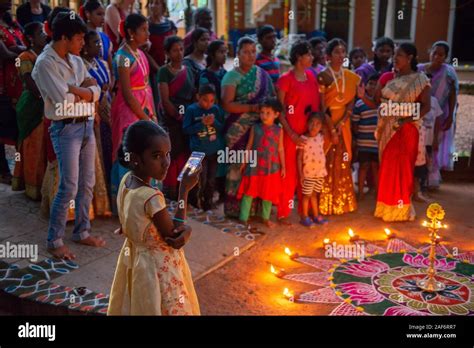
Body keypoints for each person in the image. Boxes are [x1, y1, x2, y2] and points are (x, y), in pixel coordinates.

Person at [32, 11, 105, 259]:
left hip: (85, 124)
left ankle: (82, 232)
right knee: (69, 185)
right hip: (65, 128)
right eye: (79, 39)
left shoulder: (75, 60)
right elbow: (63, 100)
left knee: (88, 183)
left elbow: (96, 89)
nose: (83, 43)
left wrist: (79, 90)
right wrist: (82, 92)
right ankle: (54, 239)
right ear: (64, 38)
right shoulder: (45, 63)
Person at [107, 121, 200, 316]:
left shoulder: (127, 181)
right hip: (158, 267)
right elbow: (173, 236)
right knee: (165, 306)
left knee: (140, 305)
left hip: (135, 260)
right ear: (135, 159)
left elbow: (129, 221)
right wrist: (184, 191)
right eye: (156, 156)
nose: (166, 162)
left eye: (167, 154)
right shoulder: (151, 197)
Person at [374, 42, 431, 222]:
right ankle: (385, 208)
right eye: (395, 55)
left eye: (399, 55)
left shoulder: (420, 80)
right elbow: (379, 103)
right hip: (388, 129)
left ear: (410, 58)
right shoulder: (391, 80)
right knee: (388, 167)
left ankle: (401, 209)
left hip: (407, 129)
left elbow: (426, 107)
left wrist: (406, 119)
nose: (395, 58)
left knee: (404, 169)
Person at [221, 37, 275, 218]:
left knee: (256, 168)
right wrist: (252, 108)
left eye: (253, 51)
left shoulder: (262, 75)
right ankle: (234, 209)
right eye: (245, 52)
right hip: (237, 130)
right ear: (238, 54)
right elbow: (227, 105)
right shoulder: (231, 76)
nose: (250, 55)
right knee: (238, 166)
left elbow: (273, 100)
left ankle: (254, 209)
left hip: (260, 129)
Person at [111, 13, 155, 213]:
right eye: (143, 29)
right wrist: (145, 118)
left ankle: (144, 200)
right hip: (129, 111)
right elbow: (128, 95)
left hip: (144, 108)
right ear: (130, 32)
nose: (147, 33)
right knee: (128, 152)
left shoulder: (139, 53)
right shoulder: (123, 58)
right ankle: (125, 204)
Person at [276, 40, 321, 225]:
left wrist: (315, 133)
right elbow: (280, 111)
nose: (311, 57)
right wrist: (292, 134)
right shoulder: (285, 80)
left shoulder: (311, 77)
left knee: (308, 171)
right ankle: (283, 212)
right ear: (298, 57)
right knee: (290, 174)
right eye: (308, 54)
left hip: (309, 133)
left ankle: (306, 213)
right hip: (290, 133)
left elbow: (316, 105)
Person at [317, 38, 360, 216]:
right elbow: (322, 107)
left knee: (342, 161)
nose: (341, 55)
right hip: (328, 123)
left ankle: (343, 202)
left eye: (343, 52)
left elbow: (351, 101)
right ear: (328, 56)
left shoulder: (351, 76)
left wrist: (343, 121)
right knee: (327, 161)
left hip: (344, 121)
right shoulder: (323, 76)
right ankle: (325, 203)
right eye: (337, 52)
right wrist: (332, 128)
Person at [11, 22, 47, 200]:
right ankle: (32, 185)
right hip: (32, 104)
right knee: (32, 145)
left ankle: (43, 184)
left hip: (45, 102)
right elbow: (28, 81)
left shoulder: (47, 54)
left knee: (44, 146)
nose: (44, 34)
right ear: (31, 38)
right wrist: (45, 96)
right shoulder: (25, 56)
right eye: (40, 32)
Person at [158, 36, 196, 201]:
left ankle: (187, 187)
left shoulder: (189, 69)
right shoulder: (164, 72)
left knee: (188, 151)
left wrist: (191, 115)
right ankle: (171, 188)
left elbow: (194, 93)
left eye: (181, 49)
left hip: (188, 114)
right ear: (167, 53)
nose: (179, 53)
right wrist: (179, 116)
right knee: (174, 150)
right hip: (172, 117)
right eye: (175, 50)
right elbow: (165, 100)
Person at [237, 97, 285, 228]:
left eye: (268, 113)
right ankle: (243, 218)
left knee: (268, 194)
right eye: (262, 112)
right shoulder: (255, 128)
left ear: (276, 114)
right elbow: (249, 145)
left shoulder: (279, 130)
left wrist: (283, 167)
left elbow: (280, 149)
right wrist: (244, 162)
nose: (264, 115)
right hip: (254, 165)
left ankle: (265, 218)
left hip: (272, 167)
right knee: (249, 192)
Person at [418, 41, 459, 189]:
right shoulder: (419, 69)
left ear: (446, 57)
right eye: (434, 53)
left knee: (434, 145)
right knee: (420, 144)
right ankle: (419, 179)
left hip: (440, 113)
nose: (436, 57)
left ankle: (431, 178)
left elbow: (453, 94)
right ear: (430, 52)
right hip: (420, 113)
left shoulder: (449, 72)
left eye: (440, 55)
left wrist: (450, 117)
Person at [81, 30, 113, 213]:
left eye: (100, 43)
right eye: (95, 43)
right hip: (94, 113)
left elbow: (110, 83)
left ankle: (110, 190)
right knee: (98, 154)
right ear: (85, 47)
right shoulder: (82, 67)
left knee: (109, 149)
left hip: (107, 108)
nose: (99, 46)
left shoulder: (101, 63)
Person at [183, 84, 224, 211]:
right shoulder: (191, 110)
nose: (208, 104)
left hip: (213, 151)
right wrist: (201, 124)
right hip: (197, 152)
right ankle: (195, 202)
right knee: (200, 179)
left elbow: (222, 128)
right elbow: (185, 130)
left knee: (211, 179)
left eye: (212, 101)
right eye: (205, 100)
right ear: (198, 97)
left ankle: (208, 203)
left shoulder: (216, 110)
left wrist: (213, 123)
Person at [199, 39, 227, 203]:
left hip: (223, 119)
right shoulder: (205, 76)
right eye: (220, 52)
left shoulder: (225, 74)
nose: (224, 55)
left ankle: (222, 192)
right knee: (211, 157)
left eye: (225, 52)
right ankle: (207, 196)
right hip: (210, 120)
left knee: (223, 157)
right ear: (211, 54)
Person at [0, 0, 25, 185]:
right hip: (2, 84)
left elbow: (16, 48)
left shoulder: (11, 23)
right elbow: (5, 54)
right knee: (3, 126)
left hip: (17, 83)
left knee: (18, 128)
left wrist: (18, 50)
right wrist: (24, 52)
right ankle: (3, 170)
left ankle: (22, 171)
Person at [352, 72, 379, 200]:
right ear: (366, 86)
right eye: (371, 84)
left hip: (378, 143)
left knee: (376, 167)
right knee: (363, 166)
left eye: (376, 84)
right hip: (364, 142)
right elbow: (355, 123)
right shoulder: (359, 104)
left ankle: (378, 192)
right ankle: (361, 191)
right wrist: (358, 138)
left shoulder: (382, 104)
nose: (373, 87)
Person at [297, 113, 328, 228]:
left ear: (321, 127)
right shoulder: (303, 139)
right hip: (308, 173)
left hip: (319, 173)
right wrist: (301, 174)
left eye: (317, 124)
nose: (314, 126)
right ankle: (304, 217)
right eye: (312, 123)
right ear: (307, 124)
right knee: (306, 195)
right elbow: (299, 158)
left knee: (314, 194)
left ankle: (316, 215)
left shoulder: (321, 137)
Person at [81, 0, 113, 74]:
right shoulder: (82, 37)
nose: (103, 18)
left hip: (107, 79)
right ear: (87, 14)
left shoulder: (104, 37)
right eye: (99, 14)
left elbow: (109, 59)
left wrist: (112, 76)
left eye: (103, 14)